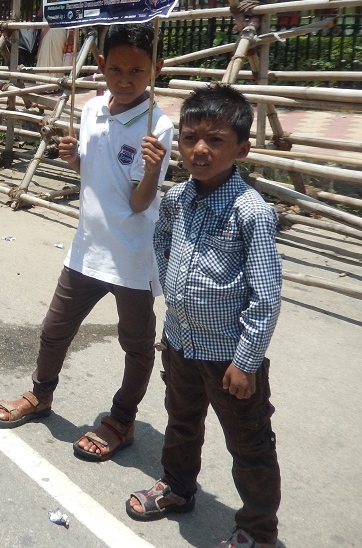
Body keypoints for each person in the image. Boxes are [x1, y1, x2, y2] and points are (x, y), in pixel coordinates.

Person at [0, 24, 173, 460]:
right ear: (101, 67)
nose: (125, 79)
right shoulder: (91, 110)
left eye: (137, 70)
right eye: (116, 69)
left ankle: (122, 419)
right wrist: (75, 159)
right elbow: (94, 175)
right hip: (87, 247)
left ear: (156, 69)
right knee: (54, 329)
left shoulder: (158, 126)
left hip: (130, 254)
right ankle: (41, 394)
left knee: (136, 342)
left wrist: (152, 169)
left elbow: (136, 203)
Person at [126, 85, 282, 548]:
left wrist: (247, 361)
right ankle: (177, 487)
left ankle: (258, 529)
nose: (199, 149)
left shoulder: (250, 212)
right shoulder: (176, 199)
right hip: (181, 345)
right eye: (191, 136)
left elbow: (267, 295)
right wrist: (176, 310)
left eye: (214, 140)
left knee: (249, 444)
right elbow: (163, 246)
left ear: (242, 148)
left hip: (229, 357)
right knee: (181, 420)